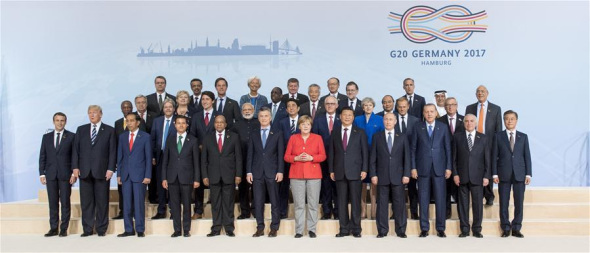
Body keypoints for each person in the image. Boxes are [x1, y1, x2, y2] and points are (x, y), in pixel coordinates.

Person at [72, 105, 116, 237]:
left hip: (102, 171)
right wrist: (75, 167)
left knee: (102, 202)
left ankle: (101, 229)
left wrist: (110, 168)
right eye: (90, 113)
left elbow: (112, 151)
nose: (92, 115)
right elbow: (76, 150)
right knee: (86, 202)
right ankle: (87, 229)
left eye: (95, 113)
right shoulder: (81, 130)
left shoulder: (109, 130)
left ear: (101, 114)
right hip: (84, 171)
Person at [410, 104, 452, 238]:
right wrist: (413, 167)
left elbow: (448, 149)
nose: (429, 114)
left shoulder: (443, 127)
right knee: (423, 199)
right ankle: (424, 228)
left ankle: (440, 228)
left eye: (431, 112)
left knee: (440, 198)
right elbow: (413, 149)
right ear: (423, 113)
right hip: (422, 168)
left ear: (435, 113)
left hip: (439, 168)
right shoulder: (417, 127)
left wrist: (449, 167)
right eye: (426, 112)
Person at [284, 115, 326, 238]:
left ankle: (312, 229)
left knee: (313, 204)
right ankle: (299, 230)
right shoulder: (293, 138)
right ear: (299, 126)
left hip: (314, 175)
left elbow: (323, 156)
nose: (306, 126)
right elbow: (286, 156)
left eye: (308, 124)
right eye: (303, 124)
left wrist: (312, 158)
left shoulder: (318, 138)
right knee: (299, 204)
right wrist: (295, 158)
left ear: (311, 126)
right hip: (296, 175)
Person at [329, 107, 369, 238]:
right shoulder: (334, 132)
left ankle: (356, 229)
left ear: (353, 117)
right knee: (341, 202)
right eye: (344, 115)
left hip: (356, 171)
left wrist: (364, 169)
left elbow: (365, 153)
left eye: (350, 115)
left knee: (356, 201)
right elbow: (332, 153)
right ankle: (344, 229)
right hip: (339, 171)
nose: (347, 117)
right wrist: (331, 170)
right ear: (340, 116)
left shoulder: (360, 132)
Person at [369, 113, 410, 238]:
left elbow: (407, 158)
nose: (388, 121)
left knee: (399, 204)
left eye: (390, 119)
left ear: (395, 121)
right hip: (381, 176)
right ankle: (382, 230)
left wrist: (406, 174)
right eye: (386, 119)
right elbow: (373, 158)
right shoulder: (377, 137)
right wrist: (373, 174)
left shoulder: (402, 137)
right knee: (381, 204)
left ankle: (401, 230)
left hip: (398, 176)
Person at [492, 110, 532, 238]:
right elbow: (494, 157)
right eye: (507, 119)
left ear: (516, 120)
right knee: (504, 202)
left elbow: (527, 156)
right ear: (504, 121)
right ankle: (505, 228)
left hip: (520, 174)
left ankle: (516, 228)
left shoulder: (523, 137)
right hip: (503, 173)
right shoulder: (498, 136)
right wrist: (494, 174)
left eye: (512, 119)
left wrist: (528, 174)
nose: (509, 121)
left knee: (519, 202)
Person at [202, 115, 242, 237]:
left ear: (225, 124)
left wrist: (238, 174)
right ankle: (216, 228)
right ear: (214, 124)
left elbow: (238, 158)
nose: (219, 124)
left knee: (228, 202)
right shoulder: (208, 138)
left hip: (229, 175)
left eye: (221, 122)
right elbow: (204, 159)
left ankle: (229, 228)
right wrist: (204, 175)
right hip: (213, 175)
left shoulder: (234, 137)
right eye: (217, 122)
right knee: (215, 203)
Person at [247, 107, 284, 237]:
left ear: (270, 117)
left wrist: (280, 171)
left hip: (272, 172)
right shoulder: (254, 133)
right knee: (258, 201)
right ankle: (260, 227)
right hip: (257, 173)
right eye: (261, 116)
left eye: (266, 116)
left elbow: (280, 154)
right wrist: (248, 172)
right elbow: (250, 154)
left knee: (275, 201)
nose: (263, 118)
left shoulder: (278, 133)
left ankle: (274, 227)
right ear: (259, 118)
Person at [452, 114, 490, 238]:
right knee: (462, 205)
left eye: (472, 121)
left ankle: (477, 229)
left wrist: (486, 176)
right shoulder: (457, 137)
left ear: (476, 123)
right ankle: (464, 229)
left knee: (477, 204)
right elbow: (454, 159)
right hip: (462, 177)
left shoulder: (483, 138)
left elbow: (487, 159)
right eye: (467, 121)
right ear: (464, 123)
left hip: (478, 177)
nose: (469, 123)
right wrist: (455, 174)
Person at [162, 115, 201, 237]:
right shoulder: (169, 140)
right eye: (178, 123)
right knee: (174, 205)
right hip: (172, 177)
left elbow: (196, 162)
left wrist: (196, 179)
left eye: (183, 123)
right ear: (174, 124)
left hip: (187, 177)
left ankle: (187, 230)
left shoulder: (193, 140)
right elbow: (165, 161)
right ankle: (177, 230)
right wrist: (164, 178)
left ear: (187, 125)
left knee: (187, 204)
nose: (181, 125)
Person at [39, 112, 76, 237]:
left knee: (65, 202)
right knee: (53, 203)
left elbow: (74, 157)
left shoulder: (71, 136)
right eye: (57, 120)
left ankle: (63, 228)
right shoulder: (46, 137)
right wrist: (42, 174)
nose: (60, 123)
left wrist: (73, 173)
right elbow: (42, 156)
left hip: (66, 175)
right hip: (50, 175)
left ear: (65, 122)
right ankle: (53, 228)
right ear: (53, 121)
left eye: (62, 120)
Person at [116, 113, 152, 238]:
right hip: (125, 175)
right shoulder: (122, 136)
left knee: (138, 203)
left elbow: (148, 158)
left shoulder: (146, 137)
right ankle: (128, 229)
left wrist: (148, 175)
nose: (129, 123)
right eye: (127, 121)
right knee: (126, 203)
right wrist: (119, 174)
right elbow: (120, 157)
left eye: (132, 121)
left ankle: (140, 229)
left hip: (140, 175)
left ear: (138, 122)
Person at [465, 85, 502, 206]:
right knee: (476, 169)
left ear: (487, 93)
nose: (480, 93)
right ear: (476, 94)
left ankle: (489, 195)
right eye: (478, 92)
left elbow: (498, 130)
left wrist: (497, 147)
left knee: (488, 168)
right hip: (473, 143)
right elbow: (466, 126)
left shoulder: (496, 109)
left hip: (489, 144)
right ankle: (479, 194)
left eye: (482, 91)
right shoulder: (469, 108)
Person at [353, 97, 384, 219]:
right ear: (362, 107)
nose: (368, 107)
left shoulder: (379, 119)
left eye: (370, 105)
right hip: (360, 154)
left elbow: (381, 136)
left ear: (373, 106)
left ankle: (374, 211)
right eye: (365, 105)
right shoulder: (357, 119)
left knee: (373, 183)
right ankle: (363, 211)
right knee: (361, 184)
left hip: (374, 154)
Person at [189, 91, 218, 219]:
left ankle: (216, 211)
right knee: (199, 184)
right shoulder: (196, 116)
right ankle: (198, 210)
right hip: (200, 155)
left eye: (207, 99)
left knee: (215, 183)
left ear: (213, 101)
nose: (205, 101)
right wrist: (198, 146)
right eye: (203, 99)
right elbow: (192, 135)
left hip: (215, 156)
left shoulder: (219, 115)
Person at [312, 95, 341, 220]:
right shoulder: (318, 120)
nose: (330, 106)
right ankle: (327, 211)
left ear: (337, 105)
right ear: (324, 105)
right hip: (323, 159)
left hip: (339, 158)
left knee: (338, 187)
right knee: (325, 187)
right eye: (327, 104)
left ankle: (339, 212)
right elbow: (314, 139)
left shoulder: (342, 119)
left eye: (332, 103)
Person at [231, 103, 260, 219]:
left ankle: (255, 210)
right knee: (242, 187)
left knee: (256, 187)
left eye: (249, 109)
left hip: (256, 159)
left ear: (254, 110)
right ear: (241, 111)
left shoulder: (259, 122)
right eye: (245, 109)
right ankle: (245, 211)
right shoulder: (236, 125)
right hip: (241, 160)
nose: (247, 111)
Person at [437, 97, 464, 219]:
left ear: (457, 105)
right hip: (444, 159)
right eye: (447, 105)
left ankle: (461, 215)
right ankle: (447, 213)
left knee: (460, 189)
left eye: (453, 104)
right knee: (446, 189)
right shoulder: (439, 121)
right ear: (444, 106)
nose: (450, 107)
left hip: (461, 160)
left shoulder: (464, 120)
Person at [149, 99, 176, 219]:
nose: (168, 109)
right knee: (160, 185)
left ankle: (173, 210)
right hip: (160, 157)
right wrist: (153, 156)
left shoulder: (178, 121)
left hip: (174, 158)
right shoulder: (157, 121)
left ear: (174, 109)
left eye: (170, 107)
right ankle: (161, 210)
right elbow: (153, 139)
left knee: (172, 185)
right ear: (163, 109)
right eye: (166, 107)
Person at [394, 97, 420, 220]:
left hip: (411, 158)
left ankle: (414, 211)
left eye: (404, 106)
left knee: (412, 187)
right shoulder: (391, 119)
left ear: (408, 106)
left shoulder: (416, 121)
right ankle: (396, 212)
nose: (402, 108)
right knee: (396, 187)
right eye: (400, 106)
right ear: (396, 107)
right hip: (395, 160)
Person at [277, 99, 301, 218]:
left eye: (293, 105)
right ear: (286, 109)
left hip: (301, 159)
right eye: (289, 106)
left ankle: (301, 213)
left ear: (298, 108)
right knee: (284, 186)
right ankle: (282, 212)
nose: (291, 108)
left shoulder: (304, 121)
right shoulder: (282, 122)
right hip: (286, 158)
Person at [134, 95, 158, 203]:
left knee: (152, 175)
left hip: (151, 150)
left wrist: (153, 154)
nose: (141, 104)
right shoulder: (132, 117)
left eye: (143, 102)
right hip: (136, 153)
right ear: (135, 104)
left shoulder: (154, 116)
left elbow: (156, 136)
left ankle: (153, 198)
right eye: (138, 102)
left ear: (146, 103)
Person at [113, 100, 134, 220]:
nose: (126, 109)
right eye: (124, 107)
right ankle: (122, 211)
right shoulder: (117, 123)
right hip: (122, 160)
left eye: (128, 107)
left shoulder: (138, 121)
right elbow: (116, 142)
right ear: (121, 109)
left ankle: (133, 211)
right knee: (121, 188)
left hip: (135, 160)